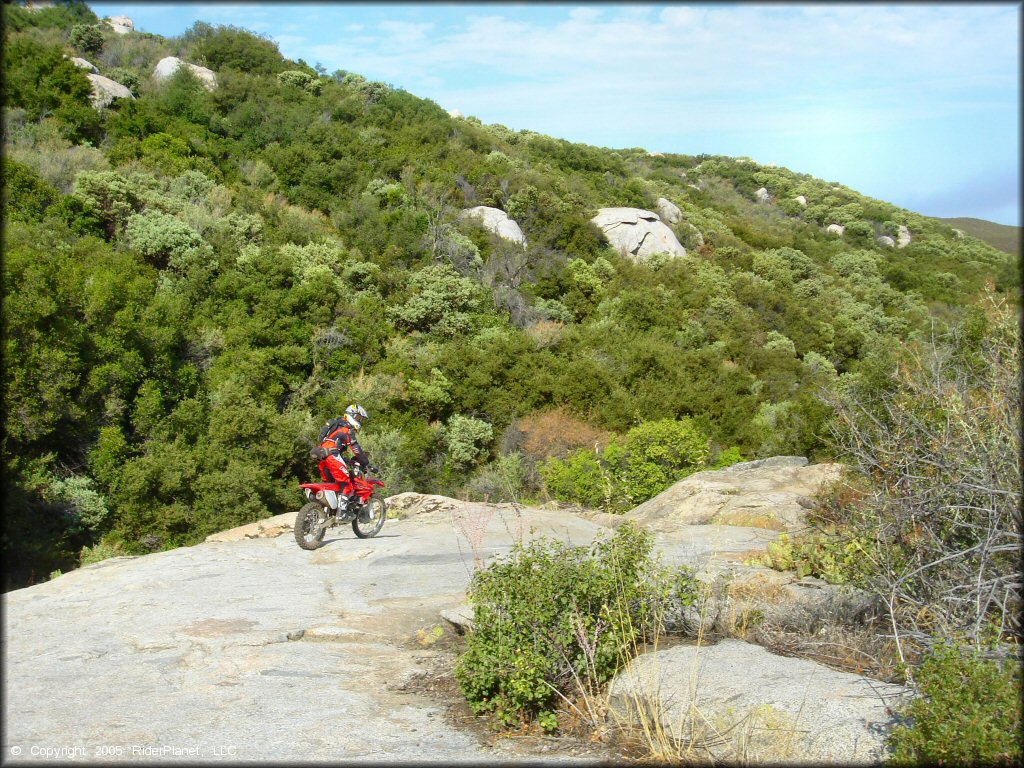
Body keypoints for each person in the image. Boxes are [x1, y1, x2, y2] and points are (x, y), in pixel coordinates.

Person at [318, 403, 378, 513]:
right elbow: (356, 449)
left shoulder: (336, 424)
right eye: (359, 418)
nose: (360, 421)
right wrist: (366, 463)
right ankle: (342, 513)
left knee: (333, 484)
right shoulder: (346, 428)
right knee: (346, 484)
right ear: (352, 415)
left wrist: (347, 460)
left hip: (322, 456)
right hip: (332, 456)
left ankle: (327, 511)